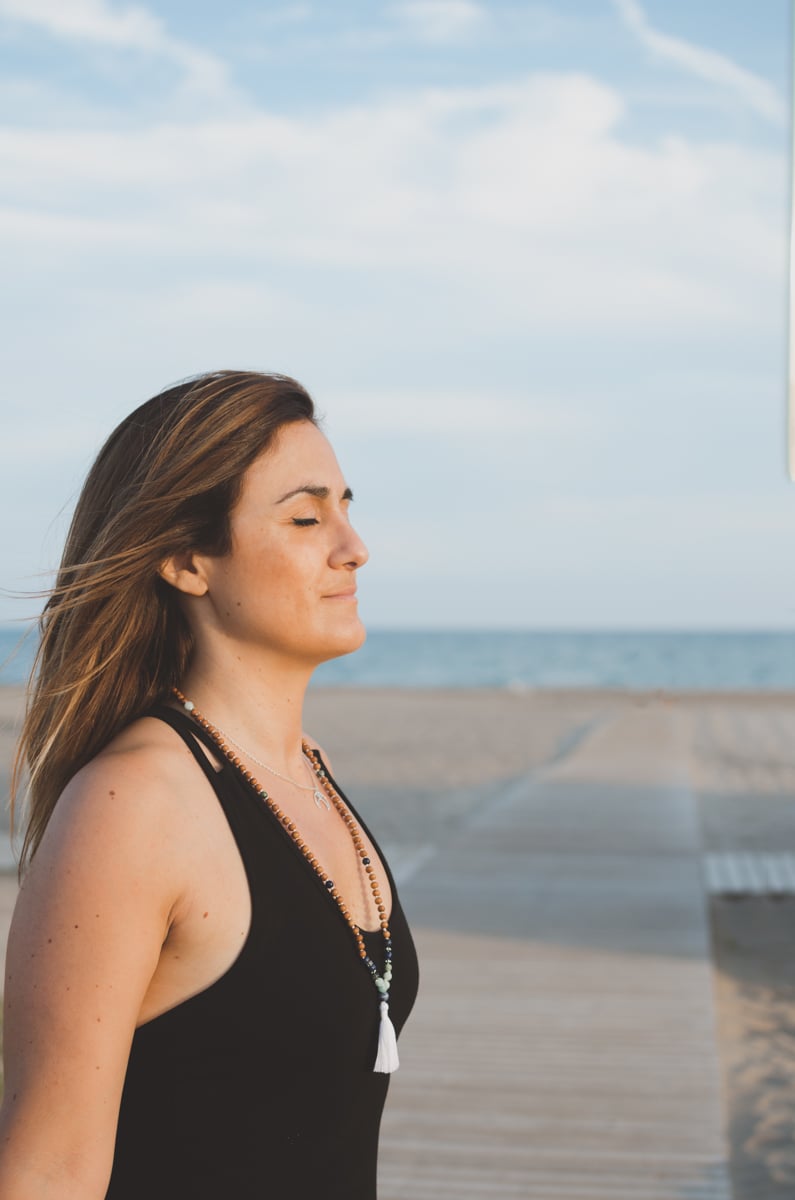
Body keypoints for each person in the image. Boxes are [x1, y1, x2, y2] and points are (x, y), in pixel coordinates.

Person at [0, 370, 419, 1199]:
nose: (352, 545)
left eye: (345, 505)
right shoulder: (135, 804)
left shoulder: (306, 769)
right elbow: (46, 1172)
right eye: (305, 516)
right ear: (187, 560)